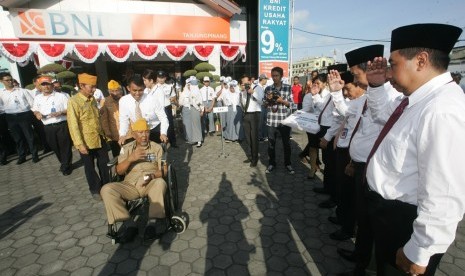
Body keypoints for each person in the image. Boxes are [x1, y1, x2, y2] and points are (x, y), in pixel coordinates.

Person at [365, 23, 465, 276]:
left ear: (420, 61)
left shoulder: (442, 109)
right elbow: (380, 116)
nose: (388, 73)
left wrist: (419, 251)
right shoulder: (414, 100)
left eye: (393, 64)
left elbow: (445, 194)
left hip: (407, 224)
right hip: (389, 216)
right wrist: (376, 86)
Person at [101, 118, 167, 243]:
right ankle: (130, 224)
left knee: (160, 183)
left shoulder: (156, 148)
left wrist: (152, 177)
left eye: (146, 132)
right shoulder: (126, 149)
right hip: (129, 184)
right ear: (134, 134)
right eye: (140, 132)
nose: (144, 136)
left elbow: (164, 170)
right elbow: (119, 171)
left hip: (149, 182)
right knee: (106, 189)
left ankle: (151, 224)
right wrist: (130, 159)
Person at [67, 73, 110, 200]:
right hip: (85, 141)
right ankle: (95, 189)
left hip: (99, 137)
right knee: (89, 167)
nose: (94, 89)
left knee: (104, 163)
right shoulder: (73, 101)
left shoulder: (92, 99)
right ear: (81, 86)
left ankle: (107, 186)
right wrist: (79, 144)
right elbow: (73, 124)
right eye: (91, 87)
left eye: (94, 87)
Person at [32, 75, 73, 175]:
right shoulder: (37, 98)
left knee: (65, 146)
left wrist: (60, 113)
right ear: (40, 86)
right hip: (47, 126)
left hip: (61, 124)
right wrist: (37, 113)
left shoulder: (61, 96)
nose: (46, 87)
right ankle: (64, 163)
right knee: (54, 146)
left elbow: (70, 109)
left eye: (48, 84)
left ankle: (66, 166)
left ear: (52, 85)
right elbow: (35, 109)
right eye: (43, 85)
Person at [0, 72, 38, 164]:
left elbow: (32, 102)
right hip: (10, 116)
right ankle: (22, 156)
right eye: (7, 80)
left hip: (24, 115)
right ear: (1, 81)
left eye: (11, 79)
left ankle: (34, 155)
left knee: (29, 136)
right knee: (17, 138)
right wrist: (8, 109)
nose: (10, 82)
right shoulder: (1, 93)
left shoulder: (22, 91)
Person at [119, 75, 169, 145]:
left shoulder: (152, 99)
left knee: (155, 154)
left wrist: (163, 133)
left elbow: (163, 118)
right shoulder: (123, 101)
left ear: (144, 88)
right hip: (138, 132)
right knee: (140, 154)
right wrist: (122, 135)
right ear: (128, 88)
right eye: (134, 90)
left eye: (140, 90)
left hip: (154, 129)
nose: (137, 93)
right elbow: (123, 120)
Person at [263, 67, 294, 174]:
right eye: (273, 76)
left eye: (276, 75)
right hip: (271, 121)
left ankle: (288, 164)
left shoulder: (288, 88)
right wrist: (268, 100)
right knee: (271, 145)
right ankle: (272, 163)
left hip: (284, 121)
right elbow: (264, 105)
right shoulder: (268, 89)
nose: (274, 78)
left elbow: (292, 104)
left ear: (281, 76)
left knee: (287, 144)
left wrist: (282, 101)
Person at [143, 70, 177, 148]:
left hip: (159, 119)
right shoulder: (146, 90)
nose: (144, 82)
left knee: (167, 131)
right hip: (149, 121)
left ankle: (171, 142)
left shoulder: (159, 91)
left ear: (151, 81)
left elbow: (160, 108)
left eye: (145, 80)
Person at [240, 75, 263, 167]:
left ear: (250, 81)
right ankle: (250, 155)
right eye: (242, 83)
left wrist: (253, 92)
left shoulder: (257, 88)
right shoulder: (243, 91)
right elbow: (243, 103)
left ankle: (255, 158)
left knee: (254, 137)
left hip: (254, 114)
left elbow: (261, 101)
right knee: (248, 137)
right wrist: (243, 91)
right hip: (246, 114)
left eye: (245, 83)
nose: (244, 85)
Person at [101, 80, 124, 157]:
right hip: (114, 135)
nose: (115, 93)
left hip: (126, 134)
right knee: (117, 156)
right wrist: (107, 133)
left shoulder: (124, 99)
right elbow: (104, 120)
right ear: (108, 91)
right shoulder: (105, 101)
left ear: (120, 90)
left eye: (117, 90)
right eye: (112, 91)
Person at [179, 77, 203, 147]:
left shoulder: (196, 91)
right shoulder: (187, 92)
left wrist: (200, 110)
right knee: (193, 126)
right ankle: (195, 139)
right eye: (188, 84)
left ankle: (199, 140)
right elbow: (181, 102)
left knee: (196, 125)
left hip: (195, 109)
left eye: (191, 84)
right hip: (192, 109)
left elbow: (198, 102)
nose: (189, 86)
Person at [257, 74, 269, 141]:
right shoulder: (257, 87)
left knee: (264, 122)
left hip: (264, 106)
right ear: (263, 79)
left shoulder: (262, 87)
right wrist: (264, 102)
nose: (266, 81)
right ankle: (259, 136)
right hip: (260, 107)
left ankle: (264, 136)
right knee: (260, 123)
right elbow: (257, 98)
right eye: (266, 79)